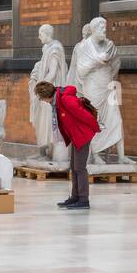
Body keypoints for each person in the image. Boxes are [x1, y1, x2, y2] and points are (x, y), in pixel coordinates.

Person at [34, 81, 100, 211]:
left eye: (41, 98)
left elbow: (85, 116)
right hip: (76, 135)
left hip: (82, 135)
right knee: (74, 167)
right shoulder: (58, 100)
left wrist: (96, 128)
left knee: (80, 168)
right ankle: (75, 197)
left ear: (46, 96)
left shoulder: (66, 100)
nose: (43, 101)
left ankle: (83, 199)